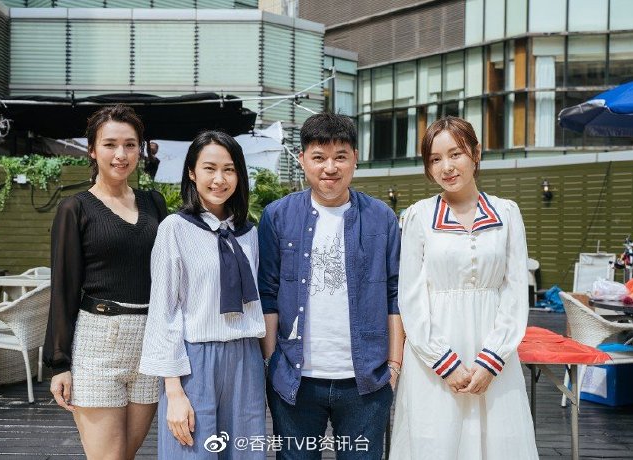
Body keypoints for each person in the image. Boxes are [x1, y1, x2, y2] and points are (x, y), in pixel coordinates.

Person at [390, 116, 538, 459]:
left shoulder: (507, 213)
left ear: (476, 153)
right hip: (433, 361)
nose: (446, 167)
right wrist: (445, 363)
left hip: (494, 358)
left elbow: (516, 293)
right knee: (434, 443)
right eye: (435, 159)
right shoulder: (418, 216)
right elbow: (410, 298)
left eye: (455, 154)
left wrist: (491, 361)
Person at [258, 112, 403, 459]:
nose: (330, 168)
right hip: (295, 381)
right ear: (302, 159)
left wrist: (394, 366)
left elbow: (394, 294)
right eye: (319, 157)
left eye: (340, 156)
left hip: (366, 380)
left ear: (355, 158)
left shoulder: (381, 217)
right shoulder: (277, 216)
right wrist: (271, 361)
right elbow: (268, 293)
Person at [43, 104, 167, 460]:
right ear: (92, 150)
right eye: (110, 144)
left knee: (126, 454)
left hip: (149, 343)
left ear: (140, 150)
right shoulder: (75, 208)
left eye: (130, 145)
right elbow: (63, 289)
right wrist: (59, 364)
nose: (121, 154)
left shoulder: (154, 203)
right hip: (98, 342)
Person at [139, 130, 266, 459]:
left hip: (246, 359)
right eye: (209, 168)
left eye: (229, 169)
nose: (219, 179)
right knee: (191, 451)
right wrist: (173, 391)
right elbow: (164, 311)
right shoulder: (175, 228)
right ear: (192, 173)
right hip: (194, 362)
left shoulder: (249, 233)